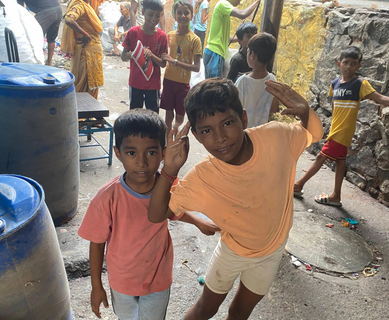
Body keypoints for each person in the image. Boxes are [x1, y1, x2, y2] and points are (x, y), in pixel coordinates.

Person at [148, 78, 324, 320]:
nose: (220, 137)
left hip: (272, 251)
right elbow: (156, 214)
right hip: (232, 251)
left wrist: (306, 112)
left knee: (240, 313)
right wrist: (169, 171)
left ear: (243, 119)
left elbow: (314, 132)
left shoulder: (277, 137)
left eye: (227, 123)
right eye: (207, 130)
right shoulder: (202, 177)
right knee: (205, 309)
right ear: (197, 137)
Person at [78, 109, 220, 319]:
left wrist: (198, 221)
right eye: (132, 153)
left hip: (158, 279)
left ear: (163, 153)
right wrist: (96, 286)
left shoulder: (167, 186)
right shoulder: (107, 197)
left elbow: (173, 211)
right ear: (118, 153)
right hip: (122, 281)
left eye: (151, 153)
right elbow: (97, 244)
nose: (142, 162)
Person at [293, 46, 389, 207]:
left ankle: (298, 185)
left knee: (321, 157)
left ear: (359, 66)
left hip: (342, 133)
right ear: (339, 64)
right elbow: (335, 107)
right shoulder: (335, 84)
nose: (348, 66)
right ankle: (336, 196)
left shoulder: (360, 84)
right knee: (340, 161)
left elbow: (380, 98)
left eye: (353, 63)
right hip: (336, 130)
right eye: (346, 62)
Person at [160, 0, 202, 130]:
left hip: (183, 83)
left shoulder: (195, 39)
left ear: (192, 16)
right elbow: (163, 56)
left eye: (186, 13)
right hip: (168, 80)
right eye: (179, 13)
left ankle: (175, 129)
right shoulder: (170, 36)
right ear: (175, 16)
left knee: (180, 114)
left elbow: (197, 67)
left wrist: (174, 61)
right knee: (168, 111)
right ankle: (168, 136)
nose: (183, 16)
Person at [122, 0, 168, 112]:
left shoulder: (162, 37)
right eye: (150, 14)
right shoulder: (133, 32)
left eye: (158, 15)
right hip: (135, 82)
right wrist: (134, 54)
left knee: (152, 117)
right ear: (143, 12)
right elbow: (123, 56)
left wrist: (151, 55)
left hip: (153, 85)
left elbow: (163, 64)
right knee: (134, 115)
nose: (154, 19)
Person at [203, 0, 260, 79]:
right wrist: (257, 2)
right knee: (213, 85)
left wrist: (240, 38)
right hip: (215, 52)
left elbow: (227, 39)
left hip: (217, 52)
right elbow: (242, 14)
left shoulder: (225, 13)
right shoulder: (222, 4)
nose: (239, 3)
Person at [235, 32, 279, 128]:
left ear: (252, 55)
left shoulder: (242, 82)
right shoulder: (272, 80)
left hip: (244, 133)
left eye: (248, 51)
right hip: (261, 133)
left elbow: (233, 109)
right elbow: (274, 109)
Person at [62, 0, 104, 99]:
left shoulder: (86, 4)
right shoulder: (79, 5)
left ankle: (88, 111)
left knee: (90, 84)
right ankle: (83, 112)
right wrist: (85, 33)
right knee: (84, 83)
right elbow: (69, 20)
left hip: (91, 50)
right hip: (86, 51)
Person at [17, 0, 63, 66]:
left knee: (32, 36)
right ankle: (49, 63)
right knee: (51, 38)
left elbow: (19, 10)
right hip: (58, 8)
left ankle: (37, 63)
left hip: (46, 12)